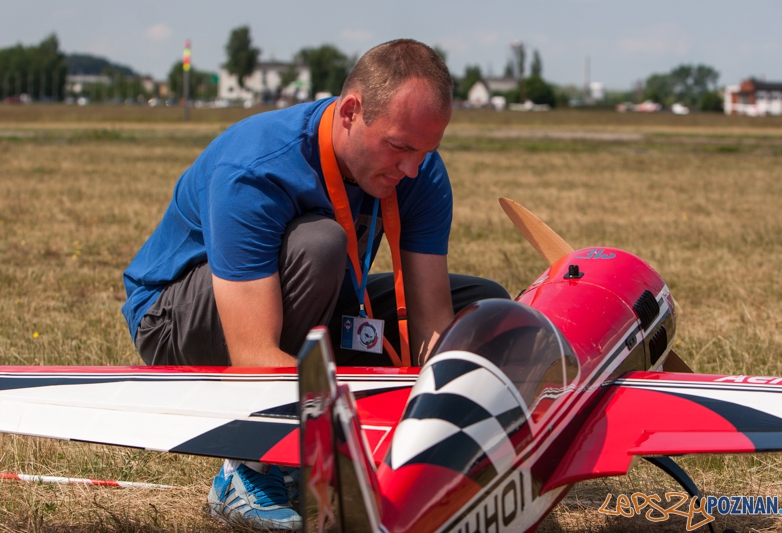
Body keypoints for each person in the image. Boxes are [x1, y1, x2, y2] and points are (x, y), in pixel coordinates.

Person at [121, 39, 509, 531]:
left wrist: (445, 417)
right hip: (177, 320)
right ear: (351, 112)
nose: (412, 168)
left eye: (427, 150)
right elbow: (253, 355)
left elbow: (431, 322)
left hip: (314, 300)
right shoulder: (256, 168)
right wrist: (362, 433)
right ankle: (250, 466)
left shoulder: (419, 171)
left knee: (483, 305)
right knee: (320, 245)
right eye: (401, 147)